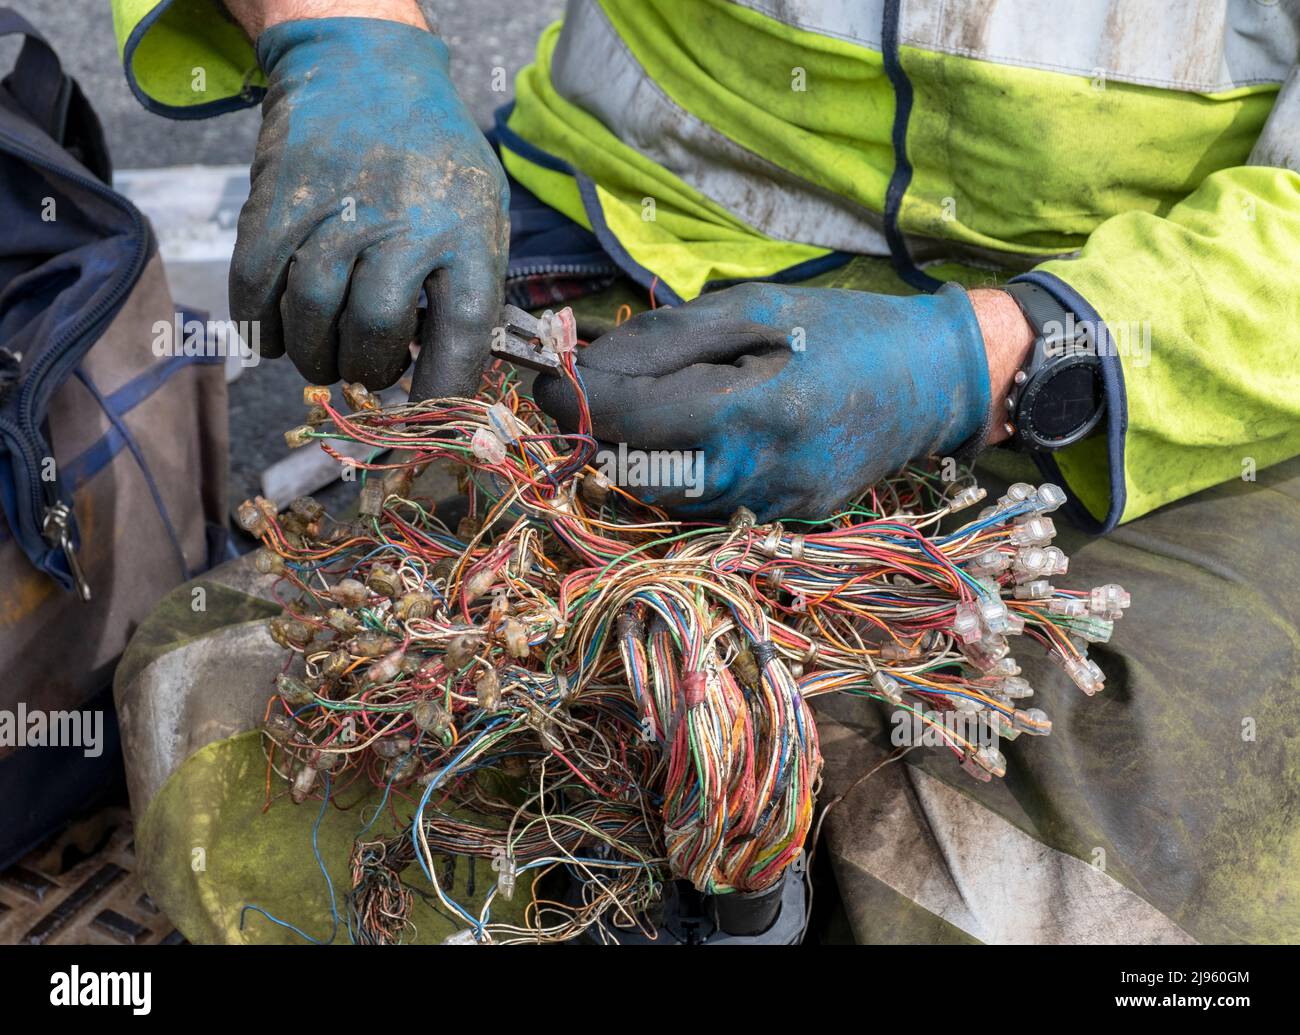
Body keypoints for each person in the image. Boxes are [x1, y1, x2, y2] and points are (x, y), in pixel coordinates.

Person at [109, 0, 1300, 943]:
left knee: (1065, 869)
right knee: (263, 732)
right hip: (647, 238)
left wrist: (994, 358)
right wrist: (339, 29)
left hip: (1181, 349)